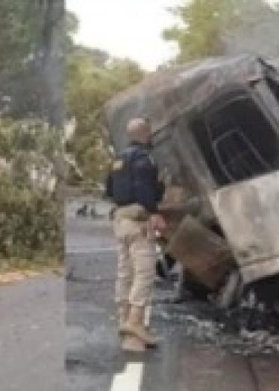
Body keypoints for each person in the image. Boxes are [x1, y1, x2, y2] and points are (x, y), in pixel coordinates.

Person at [105, 117, 166, 352]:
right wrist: (153, 212)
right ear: (146, 134)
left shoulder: (118, 159)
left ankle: (123, 319)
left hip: (120, 219)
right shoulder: (144, 158)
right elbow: (143, 187)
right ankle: (135, 321)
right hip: (139, 219)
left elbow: (109, 189)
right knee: (145, 272)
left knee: (124, 272)